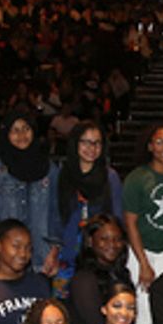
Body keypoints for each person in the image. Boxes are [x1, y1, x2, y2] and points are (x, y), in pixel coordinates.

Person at [49, 120, 123, 293]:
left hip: (99, 256)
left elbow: (117, 217)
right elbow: (54, 214)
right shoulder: (61, 174)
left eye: (97, 143)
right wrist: (52, 250)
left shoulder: (110, 177)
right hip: (66, 255)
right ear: (75, 143)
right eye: (86, 142)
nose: (92, 147)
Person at [123, 125, 163, 324]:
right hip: (141, 251)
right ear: (150, 146)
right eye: (160, 142)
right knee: (142, 308)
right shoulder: (136, 178)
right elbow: (130, 223)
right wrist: (143, 263)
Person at [0, 110, 56, 277]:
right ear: (6, 134)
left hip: (41, 258)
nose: (21, 134)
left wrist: (54, 250)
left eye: (26, 128)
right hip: (6, 259)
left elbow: (55, 213)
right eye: (15, 130)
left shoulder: (49, 169)